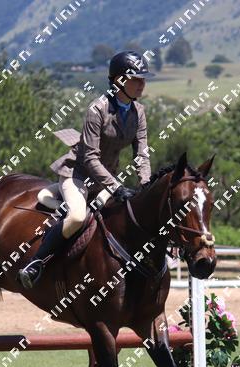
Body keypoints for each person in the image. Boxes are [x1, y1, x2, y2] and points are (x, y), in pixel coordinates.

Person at [17, 50, 154, 289]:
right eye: (136, 79)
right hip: (77, 174)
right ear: (119, 80)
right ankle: (36, 264)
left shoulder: (138, 112)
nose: (142, 84)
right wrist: (116, 187)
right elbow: (90, 158)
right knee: (78, 216)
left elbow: (141, 153)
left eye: (143, 79)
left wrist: (146, 184)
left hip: (107, 179)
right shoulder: (97, 110)